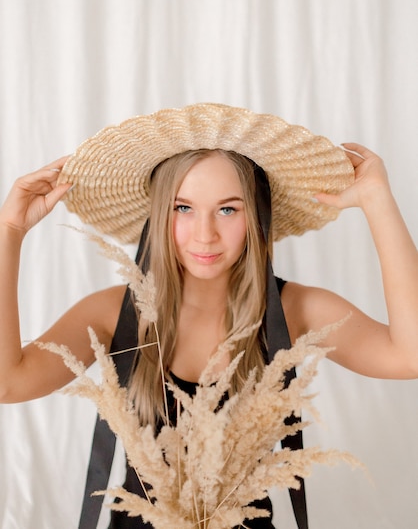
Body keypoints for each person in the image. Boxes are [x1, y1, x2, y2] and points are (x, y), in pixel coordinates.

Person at [0, 103, 417, 529]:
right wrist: (9, 231)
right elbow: (7, 383)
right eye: (183, 208)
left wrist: (377, 202)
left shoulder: (295, 310)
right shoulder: (116, 312)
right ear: (160, 213)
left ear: (256, 218)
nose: (205, 234)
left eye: (228, 209)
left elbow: (410, 356)